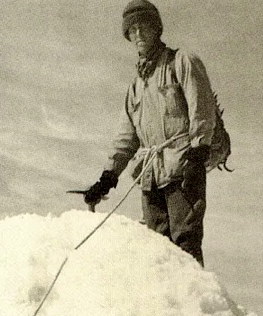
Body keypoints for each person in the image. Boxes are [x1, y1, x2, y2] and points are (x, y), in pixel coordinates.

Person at [84, 0, 218, 266]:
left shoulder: (181, 62)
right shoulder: (135, 87)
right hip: (150, 178)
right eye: (131, 30)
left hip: (183, 170)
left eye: (143, 27)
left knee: (185, 246)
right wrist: (107, 177)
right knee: (157, 252)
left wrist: (198, 153)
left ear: (157, 29)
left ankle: (193, 306)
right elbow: (126, 140)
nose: (138, 35)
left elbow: (202, 109)